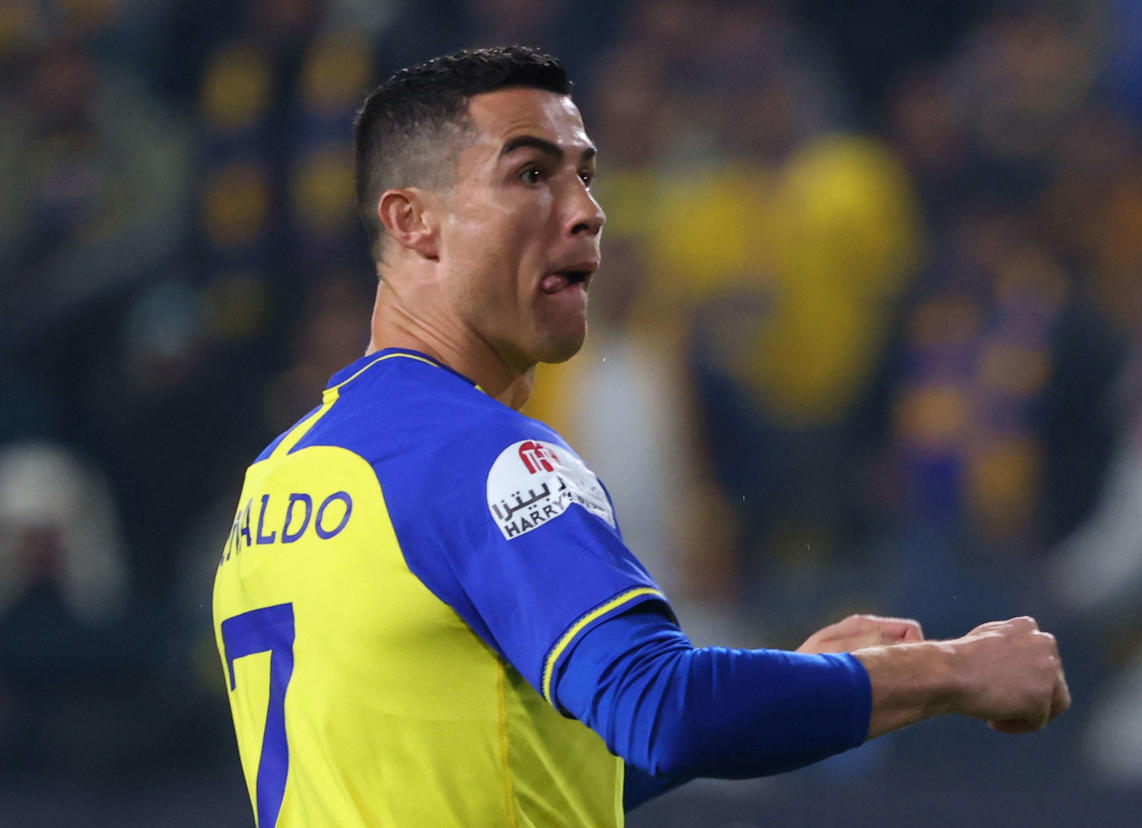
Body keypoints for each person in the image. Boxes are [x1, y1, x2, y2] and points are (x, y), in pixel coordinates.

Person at [212, 46, 1070, 827]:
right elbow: (667, 710)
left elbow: (517, 767)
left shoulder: (278, 480)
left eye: (586, 176)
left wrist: (806, 683)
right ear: (413, 221)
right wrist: (952, 672)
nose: (587, 212)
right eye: (531, 174)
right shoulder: (490, 460)